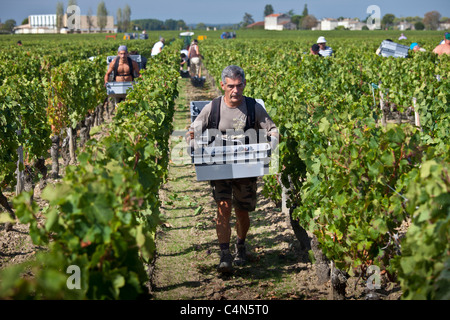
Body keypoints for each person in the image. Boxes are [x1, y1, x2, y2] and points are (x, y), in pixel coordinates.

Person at [186, 65, 279, 274]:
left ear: (244, 84)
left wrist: (270, 145)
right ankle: (224, 254)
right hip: (219, 166)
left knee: (242, 211)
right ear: (222, 86)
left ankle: (241, 244)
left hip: (247, 167)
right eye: (230, 86)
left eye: (238, 86)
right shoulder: (213, 107)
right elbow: (192, 131)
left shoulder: (254, 107)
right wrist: (194, 146)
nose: (235, 91)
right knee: (224, 206)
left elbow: (273, 130)